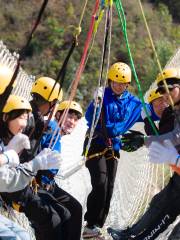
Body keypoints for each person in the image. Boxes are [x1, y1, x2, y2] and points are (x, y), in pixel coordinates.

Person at [82, 62, 158, 238]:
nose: (117, 86)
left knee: (109, 187)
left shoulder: (133, 103)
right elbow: (89, 117)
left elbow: (153, 113)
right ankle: (90, 223)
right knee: (100, 182)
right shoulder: (103, 96)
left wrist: (166, 106)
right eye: (114, 82)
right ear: (109, 81)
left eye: (122, 83)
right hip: (95, 143)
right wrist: (95, 103)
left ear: (127, 85)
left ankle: (95, 228)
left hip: (113, 147)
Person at [108, 67, 180, 240]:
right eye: (162, 92)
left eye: (170, 89)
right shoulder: (173, 110)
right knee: (160, 204)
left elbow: (175, 137)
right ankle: (132, 235)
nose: (165, 96)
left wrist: (144, 141)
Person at [0, 94, 62, 240]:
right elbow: (6, 180)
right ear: (5, 117)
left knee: (23, 235)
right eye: (22, 117)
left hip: (18, 187)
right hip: (15, 191)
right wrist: (34, 165)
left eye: (28, 118)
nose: (26, 123)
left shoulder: (12, 141)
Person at [37, 99, 83, 240]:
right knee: (62, 215)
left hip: (48, 184)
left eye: (75, 119)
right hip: (37, 183)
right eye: (69, 116)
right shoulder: (51, 127)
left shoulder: (56, 133)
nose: (72, 122)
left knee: (75, 209)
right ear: (58, 115)